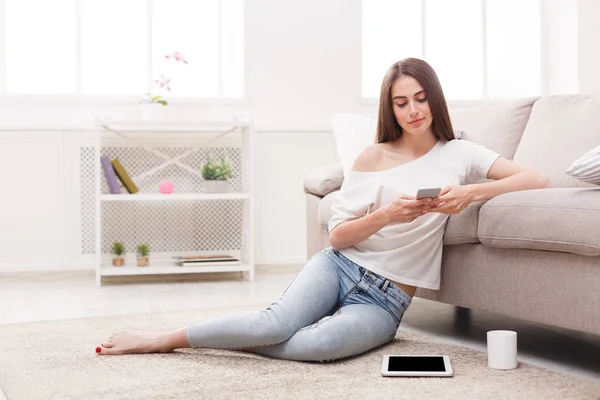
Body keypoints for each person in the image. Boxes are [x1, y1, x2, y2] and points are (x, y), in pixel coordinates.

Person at [96, 58, 551, 361]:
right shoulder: (371, 158)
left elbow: (537, 178)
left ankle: (245, 338)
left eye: (420, 97)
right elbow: (337, 238)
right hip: (340, 266)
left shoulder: (461, 154)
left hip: (389, 299)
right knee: (272, 323)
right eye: (401, 102)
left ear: (434, 97)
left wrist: (471, 194)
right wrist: (386, 215)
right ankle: (164, 339)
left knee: (320, 346)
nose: (413, 110)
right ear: (390, 108)